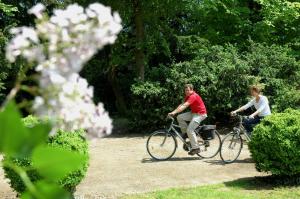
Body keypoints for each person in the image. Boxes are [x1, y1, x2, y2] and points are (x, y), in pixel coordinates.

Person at [168, 84, 207, 155]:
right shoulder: (188, 96)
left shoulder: (193, 96)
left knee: (190, 130)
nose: (186, 92)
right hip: (194, 113)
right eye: (185, 90)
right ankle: (186, 134)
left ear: (192, 90)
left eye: (188, 90)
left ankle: (196, 148)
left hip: (200, 114)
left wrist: (174, 113)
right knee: (179, 117)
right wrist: (173, 112)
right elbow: (182, 104)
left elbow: (185, 106)